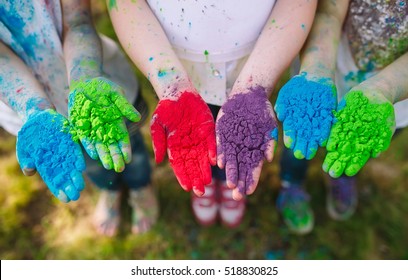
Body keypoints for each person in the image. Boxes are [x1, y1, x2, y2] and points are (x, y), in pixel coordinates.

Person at [108, 0, 317, 227]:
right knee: (193, 132)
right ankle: (205, 180)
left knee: (237, 137)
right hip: (168, 56)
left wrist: (256, 84)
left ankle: (225, 180)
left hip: (260, 52)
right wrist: (171, 83)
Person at [0, 0, 158, 236]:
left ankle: (140, 185)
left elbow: (77, 21)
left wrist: (85, 76)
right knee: (90, 162)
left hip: (98, 86)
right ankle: (110, 189)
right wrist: (35, 109)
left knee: (128, 147)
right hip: (24, 106)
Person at [275, 0, 408, 234]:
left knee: (356, 146)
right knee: (301, 140)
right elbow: (328, 11)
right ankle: (291, 183)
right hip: (332, 61)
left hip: (396, 93)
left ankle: (342, 175)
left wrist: (385, 88)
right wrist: (316, 69)